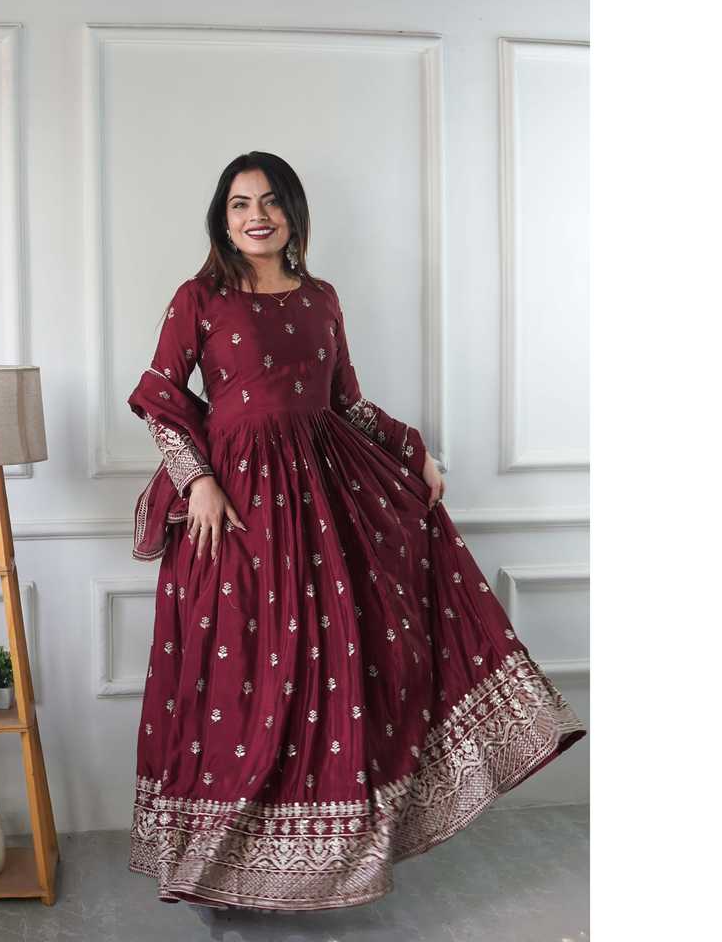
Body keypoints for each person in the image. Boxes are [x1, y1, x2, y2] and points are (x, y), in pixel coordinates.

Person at [125, 151, 586, 912]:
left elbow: (346, 404)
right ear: (223, 219)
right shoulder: (199, 298)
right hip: (236, 508)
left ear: (293, 213)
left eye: (270, 201)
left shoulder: (321, 299)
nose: (256, 216)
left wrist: (412, 451)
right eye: (240, 204)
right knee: (243, 675)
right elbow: (161, 393)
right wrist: (196, 479)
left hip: (325, 505)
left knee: (331, 667)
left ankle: (325, 863)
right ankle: (224, 869)